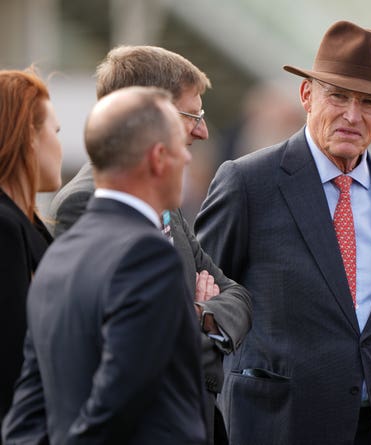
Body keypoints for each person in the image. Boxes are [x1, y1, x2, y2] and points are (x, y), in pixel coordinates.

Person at [195, 20, 371, 445]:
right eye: (338, 96)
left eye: (369, 101)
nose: (352, 115)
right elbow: (203, 303)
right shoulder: (247, 183)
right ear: (307, 95)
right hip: (277, 427)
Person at [46, 45, 251, 445]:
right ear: (146, 114)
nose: (202, 131)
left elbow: (237, 295)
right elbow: (122, 342)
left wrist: (202, 314)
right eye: (191, 115)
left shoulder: (165, 204)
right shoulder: (84, 204)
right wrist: (192, 312)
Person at [4, 86, 206, 444]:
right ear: (159, 158)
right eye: (179, 147)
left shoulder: (57, 255)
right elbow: (119, 401)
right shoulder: (149, 254)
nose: (188, 159)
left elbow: (26, 410)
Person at [0, 68, 62, 434]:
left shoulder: (29, 224)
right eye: (55, 131)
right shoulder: (5, 228)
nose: (59, 143)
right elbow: (13, 358)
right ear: (28, 136)